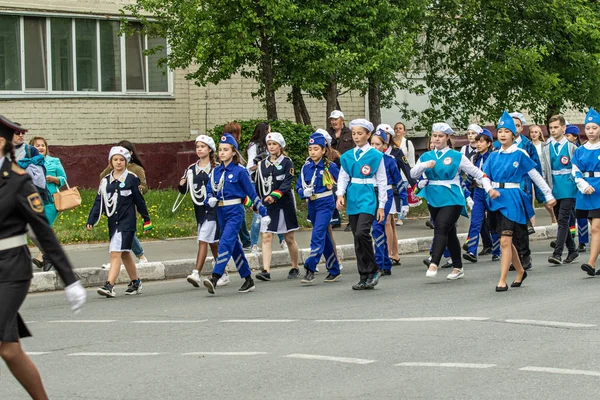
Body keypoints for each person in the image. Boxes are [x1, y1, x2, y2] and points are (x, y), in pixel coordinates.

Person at [0, 115, 86, 400]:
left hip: (12, 269)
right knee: (10, 350)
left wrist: (69, 280)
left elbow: (43, 233)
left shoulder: (18, 181)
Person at [410, 122, 494, 281]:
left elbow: (476, 172)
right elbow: (413, 173)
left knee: (441, 226)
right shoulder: (427, 156)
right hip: (434, 197)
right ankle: (458, 267)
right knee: (449, 233)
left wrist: (488, 186)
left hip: (452, 196)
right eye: (434, 136)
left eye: (440, 136)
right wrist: (424, 165)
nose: (437, 139)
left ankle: (434, 262)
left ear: (447, 137)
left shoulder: (456, 156)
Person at [484, 111, 555, 291]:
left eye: (506, 131)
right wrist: (489, 189)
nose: (502, 134)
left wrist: (548, 195)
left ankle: (502, 279)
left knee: (506, 241)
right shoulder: (493, 155)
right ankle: (520, 270)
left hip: (513, 198)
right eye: (499, 131)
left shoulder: (520, 153)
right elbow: (484, 177)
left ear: (513, 134)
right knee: (504, 240)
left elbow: (535, 175)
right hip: (496, 199)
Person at [202, 133, 268, 294]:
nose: (222, 153)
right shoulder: (216, 171)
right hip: (220, 211)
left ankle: (215, 277)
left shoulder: (240, 171)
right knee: (234, 246)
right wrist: (209, 199)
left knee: (225, 241)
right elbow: (210, 190)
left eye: (226, 150)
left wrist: (263, 211)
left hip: (235, 211)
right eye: (220, 150)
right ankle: (248, 279)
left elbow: (252, 194)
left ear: (234, 152)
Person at [87, 146, 152, 297]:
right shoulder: (105, 181)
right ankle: (135, 282)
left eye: (121, 160)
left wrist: (146, 219)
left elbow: (139, 201)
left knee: (115, 253)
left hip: (127, 222)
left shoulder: (131, 179)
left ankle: (109, 285)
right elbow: (99, 201)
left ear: (126, 162)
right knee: (124, 254)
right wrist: (92, 219)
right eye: (115, 159)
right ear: (110, 162)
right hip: (113, 222)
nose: (118, 162)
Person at [336, 118, 387, 290]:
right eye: (354, 134)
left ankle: (374, 268)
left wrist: (381, 205)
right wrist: (340, 194)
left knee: (361, 233)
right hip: (353, 195)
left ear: (368, 134)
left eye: (360, 133)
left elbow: (381, 180)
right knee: (356, 238)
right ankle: (363, 275)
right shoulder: (348, 156)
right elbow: (343, 176)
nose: (356, 137)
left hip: (368, 196)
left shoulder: (376, 155)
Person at [494, 112, 542, 269]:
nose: (505, 132)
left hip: (522, 190)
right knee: (507, 229)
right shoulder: (497, 148)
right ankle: (512, 258)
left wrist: (542, 194)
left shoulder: (527, 145)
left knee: (520, 227)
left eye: (515, 126)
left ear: (519, 129)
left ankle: (524, 255)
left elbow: (535, 169)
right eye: (502, 129)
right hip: (502, 194)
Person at [176, 135, 223, 288]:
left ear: (210, 149)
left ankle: (196, 273)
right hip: (200, 210)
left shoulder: (217, 167)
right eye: (197, 147)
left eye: (203, 147)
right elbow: (184, 190)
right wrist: (181, 184)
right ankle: (223, 272)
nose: (199, 149)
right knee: (213, 243)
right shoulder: (191, 169)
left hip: (214, 209)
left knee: (203, 239)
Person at [297, 132, 342, 284]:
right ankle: (334, 269)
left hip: (325, 203)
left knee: (317, 235)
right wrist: (304, 193)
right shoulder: (306, 167)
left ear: (323, 150)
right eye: (310, 149)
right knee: (325, 237)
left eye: (316, 149)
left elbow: (342, 181)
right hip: (313, 205)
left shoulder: (330, 166)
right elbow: (298, 187)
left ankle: (310, 267)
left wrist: (341, 197)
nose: (312, 152)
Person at [254, 132, 300, 281]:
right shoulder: (262, 164)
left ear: (280, 146)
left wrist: (275, 195)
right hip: (268, 206)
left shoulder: (287, 162)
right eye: (269, 144)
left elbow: (287, 182)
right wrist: (256, 201)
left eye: (274, 144)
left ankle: (295, 266)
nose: (271, 147)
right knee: (267, 236)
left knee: (289, 238)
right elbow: (258, 185)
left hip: (284, 205)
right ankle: (266, 270)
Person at [99, 140, 150, 265]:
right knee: (118, 232)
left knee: (126, 231)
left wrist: (138, 189)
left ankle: (141, 256)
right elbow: (102, 178)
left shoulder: (135, 169)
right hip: (114, 204)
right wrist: (109, 166)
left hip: (129, 205)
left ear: (131, 153)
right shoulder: (113, 167)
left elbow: (144, 186)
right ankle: (116, 259)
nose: (118, 160)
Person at [540, 115, 579, 265]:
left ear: (563, 128)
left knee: (563, 219)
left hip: (568, 187)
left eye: (556, 127)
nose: (553, 130)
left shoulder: (571, 147)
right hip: (553, 187)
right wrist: (546, 189)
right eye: (551, 128)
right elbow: (544, 169)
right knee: (559, 219)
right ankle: (573, 250)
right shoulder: (546, 148)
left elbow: (576, 168)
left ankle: (557, 253)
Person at [29, 136, 68, 271]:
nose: (40, 148)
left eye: (43, 145)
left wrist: (54, 179)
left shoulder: (54, 161)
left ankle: (43, 257)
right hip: (34, 200)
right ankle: (51, 255)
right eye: (37, 145)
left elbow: (64, 178)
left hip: (51, 200)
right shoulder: (28, 163)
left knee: (44, 227)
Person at [463, 129, 501, 263]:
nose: (478, 144)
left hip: (490, 192)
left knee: (493, 222)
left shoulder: (494, 157)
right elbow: (470, 175)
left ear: (489, 143)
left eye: (481, 141)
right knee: (475, 221)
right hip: (478, 192)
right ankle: (471, 251)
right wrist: (466, 190)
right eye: (477, 141)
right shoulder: (475, 157)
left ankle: (497, 251)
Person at [370, 128, 404, 276]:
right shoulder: (368, 159)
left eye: (377, 144)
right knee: (377, 228)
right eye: (371, 144)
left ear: (384, 145)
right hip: (372, 194)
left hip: (387, 194)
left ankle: (379, 263)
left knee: (378, 227)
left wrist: (405, 202)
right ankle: (385, 263)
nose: (374, 147)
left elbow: (399, 181)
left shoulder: (389, 160)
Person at [572, 108, 600, 276]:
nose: (591, 131)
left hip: (599, 191)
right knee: (595, 227)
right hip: (586, 192)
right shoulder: (580, 150)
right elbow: (575, 171)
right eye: (588, 128)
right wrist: (583, 185)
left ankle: (591, 262)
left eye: (594, 128)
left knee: (596, 228)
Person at [223, 122, 252, 249]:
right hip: (233, 185)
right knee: (239, 214)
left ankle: (243, 241)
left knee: (239, 213)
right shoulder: (230, 148)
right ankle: (246, 241)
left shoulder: (229, 146)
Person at [565, 124, 589, 252]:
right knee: (571, 215)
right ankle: (571, 238)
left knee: (582, 215)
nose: (566, 138)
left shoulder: (581, 150)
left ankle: (583, 241)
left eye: (568, 135)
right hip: (569, 186)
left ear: (575, 137)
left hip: (581, 186)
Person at [530, 125, 557, 225]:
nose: (534, 134)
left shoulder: (544, 145)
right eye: (532, 132)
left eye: (536, 132)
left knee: (545, 198)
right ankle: (533, 223)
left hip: (543, 173)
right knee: (531, 197)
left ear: (540, 133)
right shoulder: (528, 145)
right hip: (530, 174)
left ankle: (553, 215)